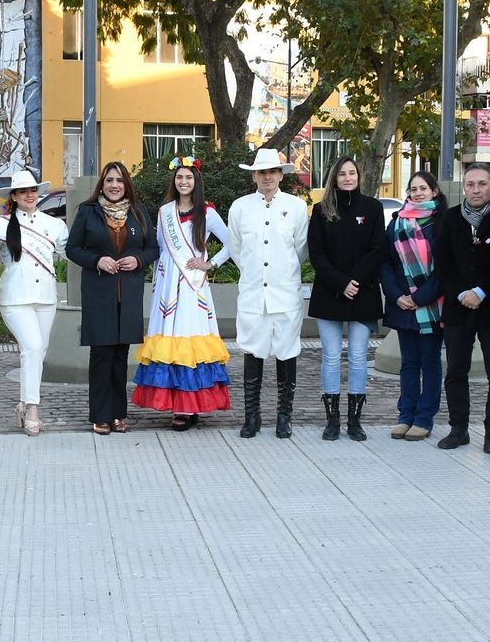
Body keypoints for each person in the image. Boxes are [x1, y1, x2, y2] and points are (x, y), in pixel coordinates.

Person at [133, 156, 233, 430]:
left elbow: (233, 243)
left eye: (189, 177)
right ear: (173, 181)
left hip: (193, 285)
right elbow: (160, 247)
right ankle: (177, 404)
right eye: (179, 177)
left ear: (196, 181)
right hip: (167, 284)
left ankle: (189, 406)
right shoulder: (165, 211)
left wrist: (210, 263)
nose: (184, 181)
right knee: (170, 339)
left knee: (190, 338)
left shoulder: (207, 213)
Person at [67, 161, 159, 434]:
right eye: (109, 180)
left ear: (126, 183)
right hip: (99, 294)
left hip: (128, 293)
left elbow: (153, 248)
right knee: (101, 355)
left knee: (121, 356)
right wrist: (97, 260)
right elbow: (73, 249)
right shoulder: (87, 211)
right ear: (102, 185)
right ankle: (100, 415)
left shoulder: (138, 211)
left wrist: (138, 259)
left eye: (119, 180)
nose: (115, 185)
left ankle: (118, 414)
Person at [227, 148, 310, 438]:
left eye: (273, 171)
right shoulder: (239, 207)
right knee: (253, 351)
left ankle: (284, 417)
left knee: (287, 353)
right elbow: (237, 249)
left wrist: (281, 273)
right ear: (254, 176)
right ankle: (252, 417)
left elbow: (300, 249)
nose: (268, 177)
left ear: (281, 175)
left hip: (284, 293)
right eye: (262, 172)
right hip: (253, 294)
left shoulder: (297, 207)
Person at [307, 156, 385, 441]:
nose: (348, 178)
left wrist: (355, 282)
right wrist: (341, 283)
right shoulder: (321, 210)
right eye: (342, 174)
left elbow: (378, 250)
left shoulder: (373, 208)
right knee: (329, 358)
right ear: (334, 178)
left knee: (357, 358)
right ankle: (332, 419)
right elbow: (316, 254)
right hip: (330, 293)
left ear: (359, 175)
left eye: (352, 172)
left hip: (362, 294)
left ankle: (355, 420)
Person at [434, 162, 490, 453]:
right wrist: (461, 293)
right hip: (458, 306)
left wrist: (481, 291)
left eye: (481, 184)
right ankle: (458, 428)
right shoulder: (451, 218)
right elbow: (442, 262)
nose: (475, 190)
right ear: (463, 187)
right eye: (470, 184)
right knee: (455, 370)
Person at [0, 169, 68, 436]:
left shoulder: (55, 225)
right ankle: (33, 408)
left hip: (46, 297)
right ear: (14, 196)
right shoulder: (0, 226)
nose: (29, 195)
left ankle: (23, 403)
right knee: (33, 347)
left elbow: (70, 252)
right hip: (15, 298)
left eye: (33, 190)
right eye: (23, 191)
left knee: (38, 351)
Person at [380, 170, 446, 441]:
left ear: (434, 192)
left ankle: (424, 418)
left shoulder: (442, 223)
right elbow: (385, 263)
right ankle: (405, 415)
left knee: (429, 362)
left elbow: (445, 268)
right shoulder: (396, 224)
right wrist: (396, 295)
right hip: (401, 304)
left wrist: (419, 298)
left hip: (431, 304)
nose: (417, 193)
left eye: (423, 188)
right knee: (408, 363)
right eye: (413, 188)